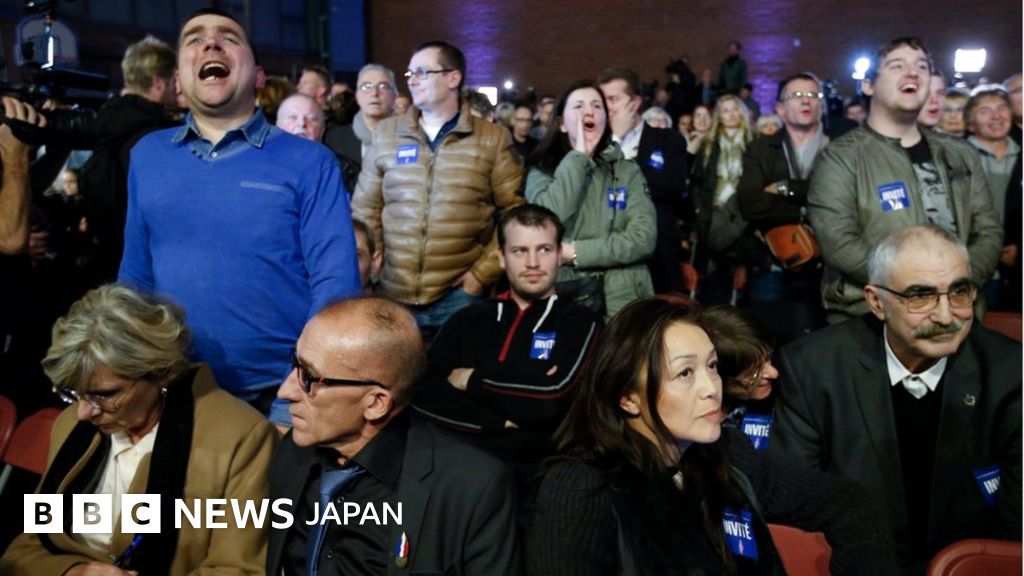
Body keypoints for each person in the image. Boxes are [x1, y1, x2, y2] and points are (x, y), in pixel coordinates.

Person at [527, 297, 898, 575]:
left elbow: (850, 504)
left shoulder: (727, 453)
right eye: (685, 374)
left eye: (713, 366)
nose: (711, 388)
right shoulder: (579, 488)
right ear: (627, 398)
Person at [118, 8, 361, 420]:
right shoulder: (147, 156)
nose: (210, 43)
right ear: (178, 81)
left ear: (260, 77)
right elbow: (136, 273)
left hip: (280, 398)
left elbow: (335, 283)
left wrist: (307, 384)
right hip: (171, 392)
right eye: (194, 39)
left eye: (229, 37)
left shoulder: (310, 162)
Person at [769, 225, 1022, 572]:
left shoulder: (1011, 373)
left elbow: (1014, 529)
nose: (947, 316)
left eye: (959, 292)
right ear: (876, 302)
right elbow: (792, 502)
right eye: (920, 296)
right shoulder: (813, 368)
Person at [0, 285, 276, 576]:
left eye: (104, 394)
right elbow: (25, 550)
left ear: (161, 372)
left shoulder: (241, 437)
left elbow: (240, 570)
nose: (83, 411)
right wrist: (75, 572)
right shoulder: (72, 425)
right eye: (74, 393)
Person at [267, 297, 520, 575]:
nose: (285, 391)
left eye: (309, 379)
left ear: (375, 403)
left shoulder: (472, 488)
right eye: (295, 365)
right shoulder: (293, 451)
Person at [807, 37, 1002, 322]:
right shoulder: (841, 157)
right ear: (868, 85)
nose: (912, 73)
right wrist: (914, 289)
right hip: (871, 320)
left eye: (921, 67)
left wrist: (957, 284)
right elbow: (839, 243)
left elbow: (988, 230)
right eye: (897, 66)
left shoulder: (961, 154)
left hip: (957, 316)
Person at [412, 204, 600, 484]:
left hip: (541, 475)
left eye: (544, 249)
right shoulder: (468, 320)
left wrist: (471, 379)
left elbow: (553, 400)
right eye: (519, 251)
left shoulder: (582, 323)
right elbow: (422, 395)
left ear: (560, 254)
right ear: (501, 257)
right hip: (459, 471)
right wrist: (498, 420)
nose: (533, 263)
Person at [352, 40, 524, 339]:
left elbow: (515, 213)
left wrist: (481, 276)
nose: (412, 80)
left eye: (422, 72)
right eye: (409, 74)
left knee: (456, 381)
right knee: (401, 383)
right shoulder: (388, 134)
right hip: (394, 294)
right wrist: (376, 266)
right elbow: (366, 208)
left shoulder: (492, 138)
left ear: (453, 78)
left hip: (460, 295)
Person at [525, 79, 656, 320]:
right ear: (562, 124)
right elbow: (545, 223)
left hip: (624, 301)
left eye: (597, 106)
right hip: (567, 297)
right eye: (578, 106)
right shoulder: (542, 170)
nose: (589, 111)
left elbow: (643, 238)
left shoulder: (627, 171)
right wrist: (578, 158)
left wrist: (574, 252)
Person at [78, 35, 182, 285]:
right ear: (158, 82)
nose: (177, 88)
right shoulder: (155, 136)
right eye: (173, 80)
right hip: (146, 267)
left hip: (109, 261)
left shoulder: (107, 122)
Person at [737, 72, 830, 334]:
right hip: (772, 260)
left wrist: (785, 188)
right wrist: (807, 204)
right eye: (797, 95)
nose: (806, 101)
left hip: (826, 265)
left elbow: (842, 200)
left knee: (820, 343)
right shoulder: (761, 149)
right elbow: (749, 202)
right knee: (767, 339)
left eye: (813, 95)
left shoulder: (839, 148)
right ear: (780, 108)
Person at [599, 67, 688, 294]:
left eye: (613, 99)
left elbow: (671, 186)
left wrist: (624, 173)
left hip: (657, 253)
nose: (606, 106)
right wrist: (616, 141)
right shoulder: (596, 145)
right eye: (602, 100)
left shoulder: (667, 139)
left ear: (635, 102)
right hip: (607, 253)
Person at [690, 94, 759, 305]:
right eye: (725, 110)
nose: (730, 114)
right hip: (713, 213)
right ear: (719, 116)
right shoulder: (709, 144)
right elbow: (697, 182)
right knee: (713, 282)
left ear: (742, 113)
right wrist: (700, 211)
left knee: (740, 281)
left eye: (734, 109)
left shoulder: (753, 142)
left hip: (742, 214)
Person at [965, 84, 1021, 310]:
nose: (996, 116)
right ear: (971, 122)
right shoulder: (956, 157)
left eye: (1001, 108)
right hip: (972, 264)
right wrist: (991, 250)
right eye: (985, 111)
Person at [324, 64, 397, 194]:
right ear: (357, 96)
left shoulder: (411, 136)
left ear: (394, 95)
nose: (374, 93)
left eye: (383, 86)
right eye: (366, 87)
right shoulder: (335, 138)